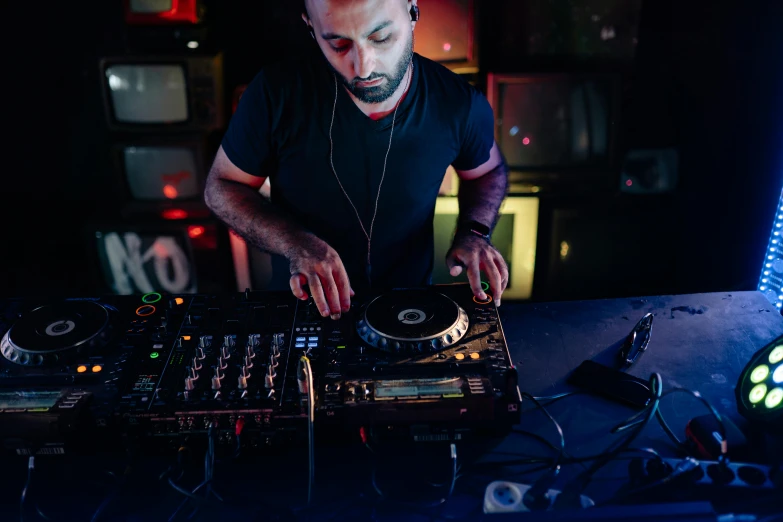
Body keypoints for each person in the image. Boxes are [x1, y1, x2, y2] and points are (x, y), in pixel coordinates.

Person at [204, 0, 510, 321]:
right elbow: (222, 187)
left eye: (380, 38)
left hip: (412, 308)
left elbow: (487, 172)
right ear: (310, 26)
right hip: (304, 307)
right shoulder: (273, 94)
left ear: (412, 11)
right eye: (339, 44)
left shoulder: (459, 103)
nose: (364, 67)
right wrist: (296, 243)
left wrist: (474, 231)